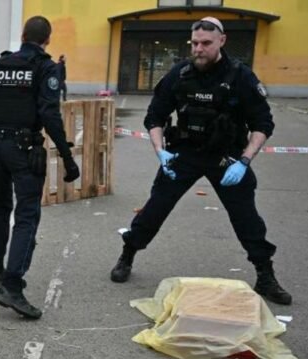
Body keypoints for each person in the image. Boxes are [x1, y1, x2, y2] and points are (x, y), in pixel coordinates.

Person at [109, 17, 291, 306]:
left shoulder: (240, 77)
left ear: (222, 41)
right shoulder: (179, 74)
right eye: (194, 43)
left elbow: (262, 124)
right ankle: (128, 254)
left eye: (206, 43)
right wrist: (160, 151)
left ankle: (265, 275)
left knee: (246, 218)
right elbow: (155, 116)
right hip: (185, 153)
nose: (198, 49)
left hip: (227, 157)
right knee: (155, 208)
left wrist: (244, 161)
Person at [0, 16, 81, 319]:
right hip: (24, 150)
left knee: (0, 207)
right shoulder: (45, 67)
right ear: (47, 40)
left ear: (23, 36)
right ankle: (12, 285)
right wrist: (67, 156)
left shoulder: (0, 66)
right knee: (26, 216)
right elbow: (49, 114)